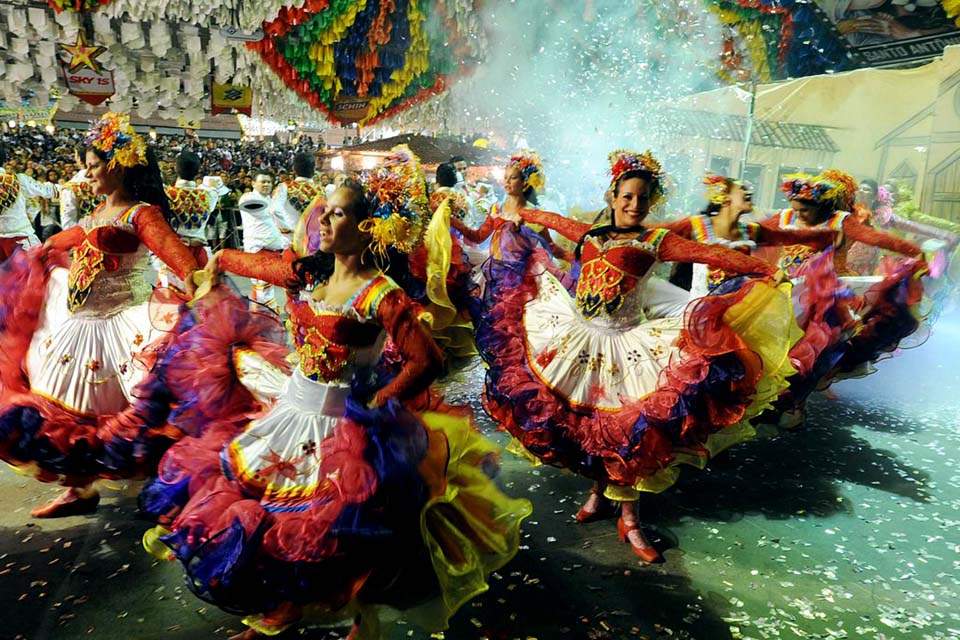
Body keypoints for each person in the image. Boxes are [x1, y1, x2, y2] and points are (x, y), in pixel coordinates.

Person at [140, 146, 530, 639]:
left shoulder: (380, 293)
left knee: (341, 532)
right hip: (290, 409)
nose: (322, 219)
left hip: (342, 430)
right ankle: (280, 608)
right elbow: (258, 267)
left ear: (366, 227)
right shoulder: (312, 272)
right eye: (324, 211)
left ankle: (353, 615)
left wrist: (380, 400)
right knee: (269, 519)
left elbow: (427, 359)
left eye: (337, 212)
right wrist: (217, 257)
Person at [475, 149, 799, 562]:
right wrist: (522, 217)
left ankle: (630, 517)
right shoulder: (592, 235)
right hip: (578, 340)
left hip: (628, 350)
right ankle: (597, 492)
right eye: (627, 197)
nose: (633, 205)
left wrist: (765, 271)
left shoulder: (656, 240)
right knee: (588, 428)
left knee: (631, 436)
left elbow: (711, 256)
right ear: (613, 196)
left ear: (651, 202)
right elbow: (555, 222)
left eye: (642, 199)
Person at [0, 112, 204, 518]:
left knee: (139, 414)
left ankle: (163, 494)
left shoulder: (142, 215)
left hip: (125, 328)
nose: (87, 173)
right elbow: (68, 238)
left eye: (93, 166)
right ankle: (80, 490)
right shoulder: (98, 213)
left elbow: (181, 261)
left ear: (116, 166)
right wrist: (40, 254)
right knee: (62, 413)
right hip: (76, 326)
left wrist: (202, 288)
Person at [156, 151, 222, 289]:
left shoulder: (165, 194)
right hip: (200, 253)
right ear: (198, 171)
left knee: (174, 299)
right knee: (200, 298)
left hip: (174, 253)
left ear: (175, 168)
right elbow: (214, 189)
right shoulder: (209, 195)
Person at [236, 171, 285, 312]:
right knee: (263, 288)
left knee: (261, 287)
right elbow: (270, 212)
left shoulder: (270, 200)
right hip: (258, 250)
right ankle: (269, 318)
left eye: (269, 182)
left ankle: (258, 318)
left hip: (273, 250)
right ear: (253, 183)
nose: (266, 184)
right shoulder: (248, 199)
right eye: (263, 181)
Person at [0, 144, 57, 261]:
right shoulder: (18, 179)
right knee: (32, 276)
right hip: (20, 238)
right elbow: (47, 191)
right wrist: (69, 187)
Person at [271, 151, 321, 247]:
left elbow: (274, 211)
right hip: (315, 241)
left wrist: (289, 232)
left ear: (294, 169)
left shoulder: (285, 187)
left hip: (291, 242)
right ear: (314, 170)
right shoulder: (322, 190)